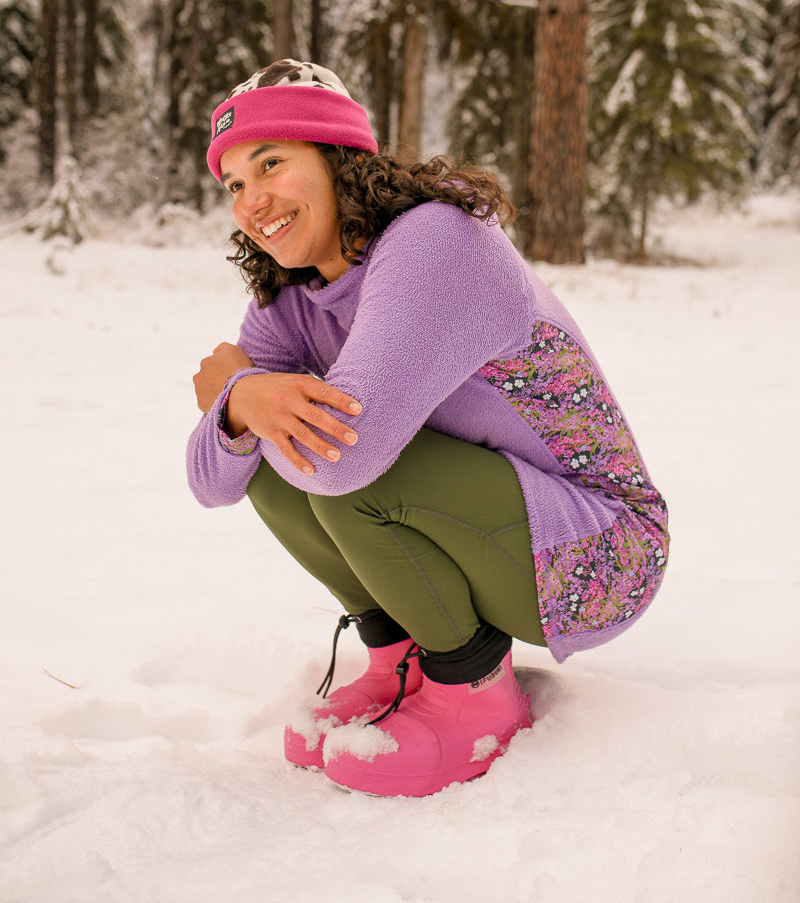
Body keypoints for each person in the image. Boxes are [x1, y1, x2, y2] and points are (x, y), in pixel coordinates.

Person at [187, 58, 669, 798]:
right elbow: (214, 483)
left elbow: (345, 462)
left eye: (271, 163)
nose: (252, 200)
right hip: (503, 533)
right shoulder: (290, 302)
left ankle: (473, 691)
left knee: (341, 462)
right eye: (234, 184)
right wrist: (240, 405)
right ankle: (401, 659)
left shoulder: (436, 240)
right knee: (270, 464)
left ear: (338, 156)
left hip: (601, 554)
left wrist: (241, 390)